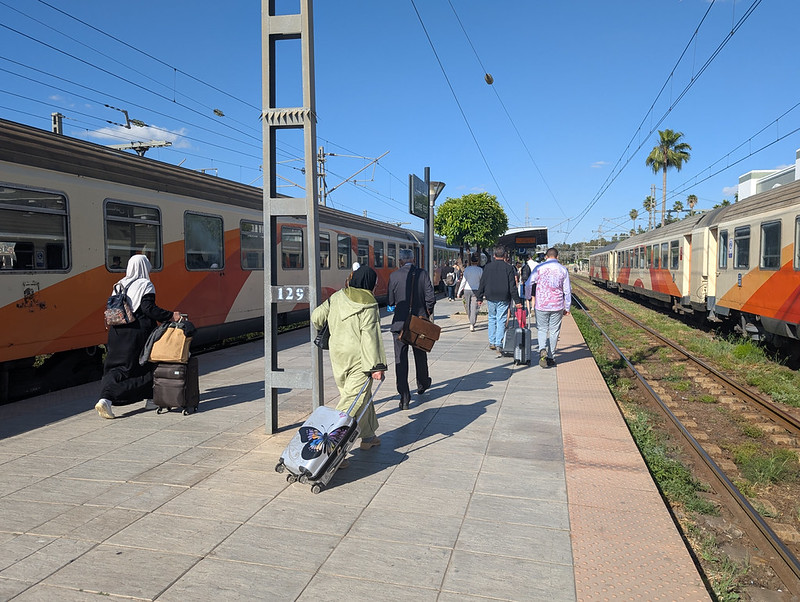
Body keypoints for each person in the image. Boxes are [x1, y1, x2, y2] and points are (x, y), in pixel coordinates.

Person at [311, 265, 387, 459]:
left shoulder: (337, 296)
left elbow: (316, 317)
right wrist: (376, 366)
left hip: (338, 356)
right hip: (359, 359)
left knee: (359, 395)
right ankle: (331, 449)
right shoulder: (369, 303)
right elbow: (370, 336)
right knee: (351, 402)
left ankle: (368, 437)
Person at [95, 255, 182, 419]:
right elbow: (149, 309)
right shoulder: (145, 284)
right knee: (144, 365)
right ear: (144, 267)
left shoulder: (119, 284)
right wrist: (171, 316)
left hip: (116, 333)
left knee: (116, 368)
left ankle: (105, 399)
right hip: (136, 334)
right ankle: (124, 395)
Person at [388, 248, 435, 410]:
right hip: (418, 323)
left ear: (400, 261)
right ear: (413, 259)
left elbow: (390, 300)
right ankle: (422, 384)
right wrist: (426, 313)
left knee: (400, 359)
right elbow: (430, 298)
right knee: (420, 355)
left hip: (400, 324)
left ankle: (404, 397)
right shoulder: (423, 274)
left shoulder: (394, 276)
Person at [525, 247, 571, 368]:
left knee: (542, 329)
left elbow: (528, 284)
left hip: (541, 305)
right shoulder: (563, 269)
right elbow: (567, 290)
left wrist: (528, 296)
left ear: (546, 256)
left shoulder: (539, 268)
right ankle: (551, 357)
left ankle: (542, 350)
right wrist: (567, 307)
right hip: (557, 305)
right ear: (557, 257)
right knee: (554, 331)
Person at [476, 246, 522, 357]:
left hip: (490, 295)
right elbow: (512, 286)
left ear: (494, 255)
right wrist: (517, 301)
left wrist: (479, 297)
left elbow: (482, 282)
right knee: (501, 319)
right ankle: (498, 343)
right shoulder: (509, 268)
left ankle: (492, 341)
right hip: (503, 296)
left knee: (492, 318)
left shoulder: (487, 267)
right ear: (505, 256)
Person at [457, 254, 482, 332]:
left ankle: (470, 320)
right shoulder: (480, 270)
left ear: (471, 261)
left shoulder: (467, 269)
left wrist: (459, 291)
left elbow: (463, 281)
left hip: (467, 290)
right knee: (474, 307)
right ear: (477, 261)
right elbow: (482, 281)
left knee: (467, 306)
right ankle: (472, 323)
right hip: (476, 290)